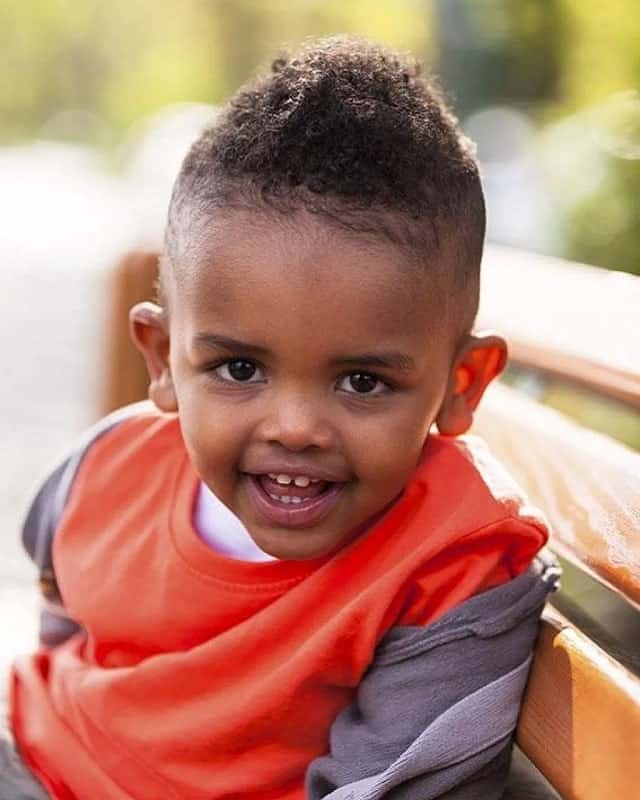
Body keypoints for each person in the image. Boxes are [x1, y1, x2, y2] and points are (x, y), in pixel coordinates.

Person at [4, 36, 558, 799]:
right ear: (164, 358)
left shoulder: (450, 564)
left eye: (362, 381)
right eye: (239, 369)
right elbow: (63, 600)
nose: (295, 426)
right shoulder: (109, 468)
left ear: (462, 383)